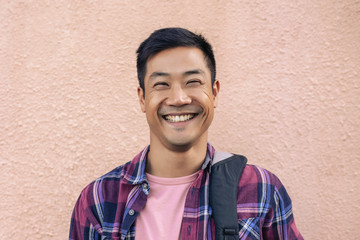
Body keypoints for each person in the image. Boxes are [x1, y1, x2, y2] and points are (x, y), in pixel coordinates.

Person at [69, 27, 303, 240]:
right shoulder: (98, 201)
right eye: (161, 84)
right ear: (142, 98)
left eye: (193, 81)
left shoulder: (262, 190)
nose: (179, 98)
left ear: (214, 92)